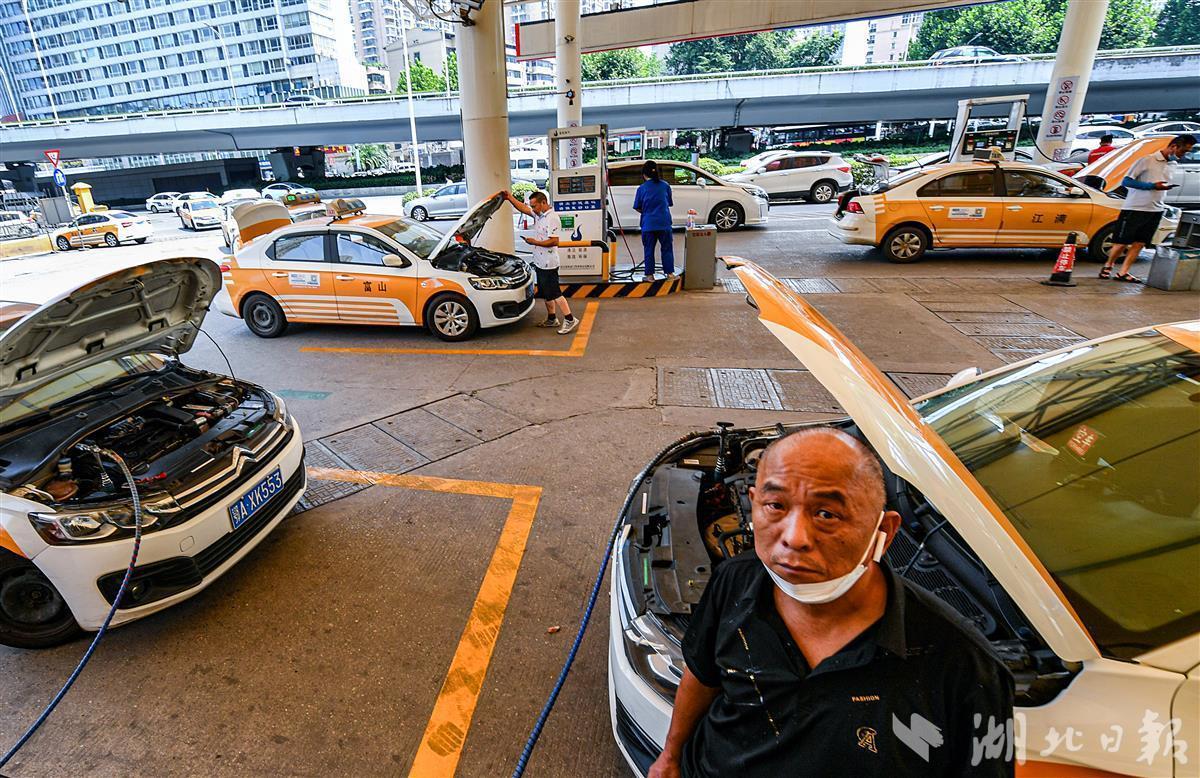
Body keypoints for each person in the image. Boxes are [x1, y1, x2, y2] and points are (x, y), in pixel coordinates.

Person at [649, 427, 1014, 778]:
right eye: (775, 505)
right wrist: (670, 756)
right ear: (754, 503)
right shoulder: (735, 579)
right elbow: (701, 675)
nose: (794, 538)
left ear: (883, 532)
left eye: (826, 514)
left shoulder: (967, 667)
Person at [1100, 133, 1196, 283]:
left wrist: (1162, 187)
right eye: (1182, 151)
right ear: (1173, 146)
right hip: (1135, 207)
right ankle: (1108, 265)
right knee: (1122, 242)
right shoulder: (1146, 160)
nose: (1182, 155)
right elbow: (1126, 182)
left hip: (1155, 209)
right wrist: (1151, 186)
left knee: (1140, 243)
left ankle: (1124, 272)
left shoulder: (1172, 164)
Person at [504, 189, 577, 335]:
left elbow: (554, 241)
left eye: (534, 206)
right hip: (540, 261)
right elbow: (523, 208)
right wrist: (509, 198)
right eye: (532, 206)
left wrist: (534, 242)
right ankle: (552, 319)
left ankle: (570, 319)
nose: (532, 209)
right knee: (546, 292)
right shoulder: (539, 215)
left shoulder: (552, 218)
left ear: (543, 203)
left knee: (555, 292)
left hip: (549, 262)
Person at [633, 160, 674, 282]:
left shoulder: (641, 188)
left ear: (644, 174)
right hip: (664, 223)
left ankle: (650, 276)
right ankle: (670, 274)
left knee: (649, 249)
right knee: (667, 248)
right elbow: (669, 203)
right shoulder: (665, 185)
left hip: (648, 224)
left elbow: (637, 206)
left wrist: (647, 212)